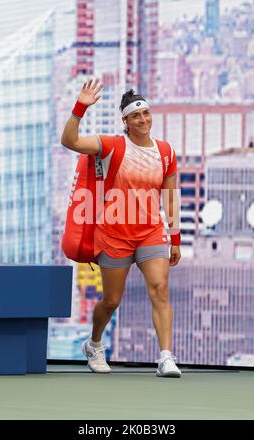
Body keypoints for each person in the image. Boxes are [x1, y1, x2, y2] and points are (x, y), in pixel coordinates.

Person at [61, 78, 182, 377]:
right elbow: (70, 141)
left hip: (151, 232)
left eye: (146, 114)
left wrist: (175, 238)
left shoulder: (165, 152)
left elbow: (169, 196)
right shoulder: (113, 145)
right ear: (125, 121)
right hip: (114, 234)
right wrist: (80, 107)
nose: (143, 119)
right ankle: (95, 343)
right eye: (135, 116)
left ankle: (166, 357)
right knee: (111, 301)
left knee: (161, 289)